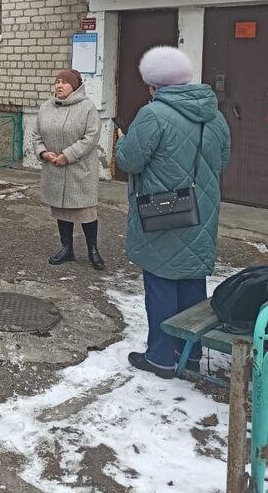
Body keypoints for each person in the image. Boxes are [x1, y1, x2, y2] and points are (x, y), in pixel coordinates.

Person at [116, 46, 231, 379]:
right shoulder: (214, 114)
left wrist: (122, 140)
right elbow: (223, 161)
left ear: (153, 85)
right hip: (202, 210)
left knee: (161, 282)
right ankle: (190, 354)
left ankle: (160, 357)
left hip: (163, 211)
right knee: (192, 281)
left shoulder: (153, 114)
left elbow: (128, 161)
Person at [31, 69, 104, 270]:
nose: (59, 86)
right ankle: (67, 248)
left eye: (64, 82)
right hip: (54, 168)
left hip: (79, 170)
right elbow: (37, 135)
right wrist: (43, 153)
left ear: (75, 86)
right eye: (57, 82)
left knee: (86, 211)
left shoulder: (87, 108)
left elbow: (91, 137)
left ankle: (93, 250)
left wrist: (68, 155)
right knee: (61, 210)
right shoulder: (46, 107)